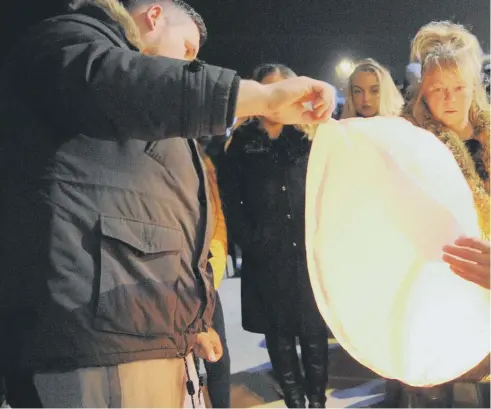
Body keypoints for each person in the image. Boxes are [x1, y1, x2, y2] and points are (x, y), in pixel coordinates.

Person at [0, 0, 335, 406]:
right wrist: (261, 98)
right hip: (97, 345)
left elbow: (160, 214)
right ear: (154, 17)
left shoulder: (140, 106)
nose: (190, 64)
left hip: (143, 332)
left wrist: (192, 319)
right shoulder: (68, 45)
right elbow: (136, 81)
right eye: (189, 49)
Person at [217, 63, 329, 408]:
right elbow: (229, 197)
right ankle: (295, 400)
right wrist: (249, 239)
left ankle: (317, 400)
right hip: (266, 253)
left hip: (307, 252)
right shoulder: (241, 142)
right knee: (278, 334)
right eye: (268, 91)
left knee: (313, 334)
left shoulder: (310, 137)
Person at [399, 20, 490, 408]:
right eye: (437, 89)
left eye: (457, 88)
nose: (449, 98)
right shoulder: (410, 143)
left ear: (473, 89)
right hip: (437, 289)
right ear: (423, 92)